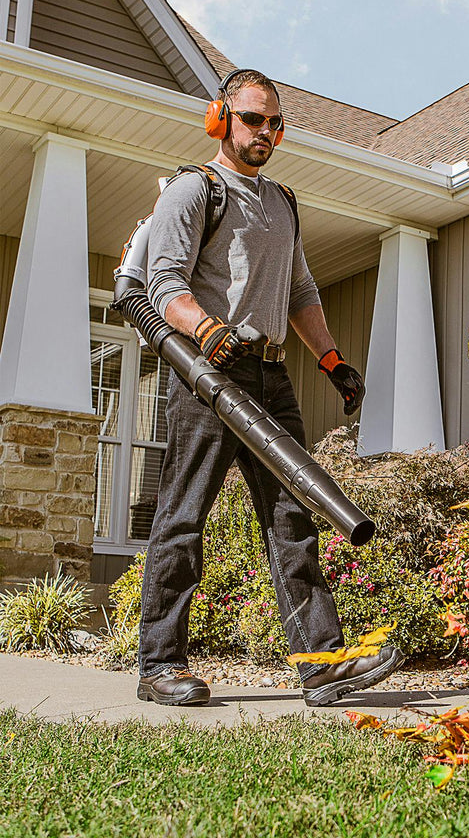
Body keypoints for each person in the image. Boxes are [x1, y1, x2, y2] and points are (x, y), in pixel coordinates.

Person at [137, 67, 401, 707]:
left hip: (271, 372)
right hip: (208, 373)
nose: (266, 133)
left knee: (293, 517)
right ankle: (159, 665)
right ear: (220, 118)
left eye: (276, 123)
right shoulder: (192, 191)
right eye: (254, 119)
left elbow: (301, 291)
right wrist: (205, 330)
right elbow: (162, 282)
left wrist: (333, 359)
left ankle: (319, 662)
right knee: (184, 516)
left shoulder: (282, 202)